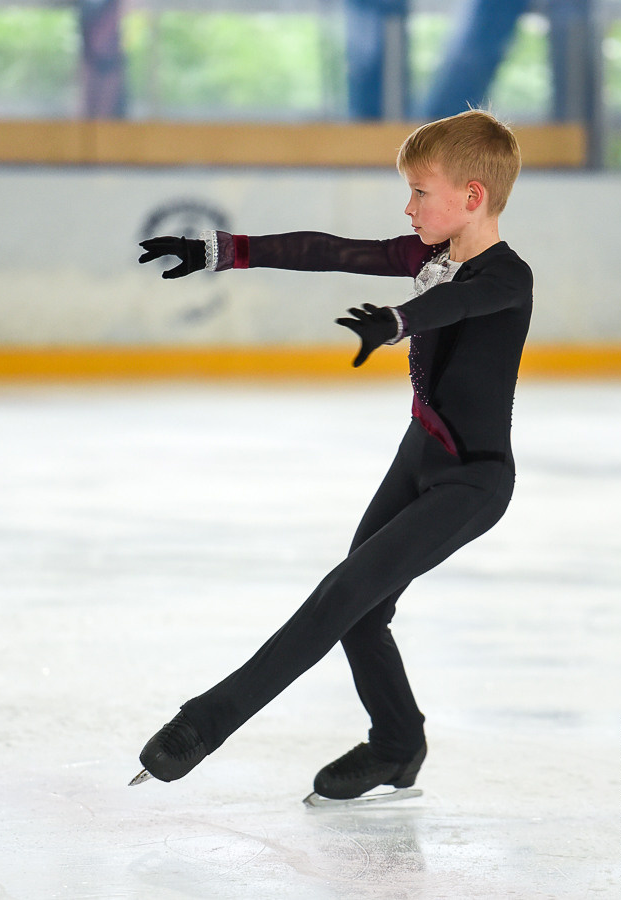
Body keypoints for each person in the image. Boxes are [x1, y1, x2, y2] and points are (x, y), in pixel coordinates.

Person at [131, 109, 533, 801]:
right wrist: (221, 252)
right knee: (362, 609)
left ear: (472, 196)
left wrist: (398, 321)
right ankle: (397, 743)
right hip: (420, 456)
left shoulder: (508, 278)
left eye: (420, 192)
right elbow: (329, 250)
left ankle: (205, 722)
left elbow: (455, 308)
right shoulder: (428, 256)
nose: (407, 208)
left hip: (472, 481)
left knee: (345, 594)